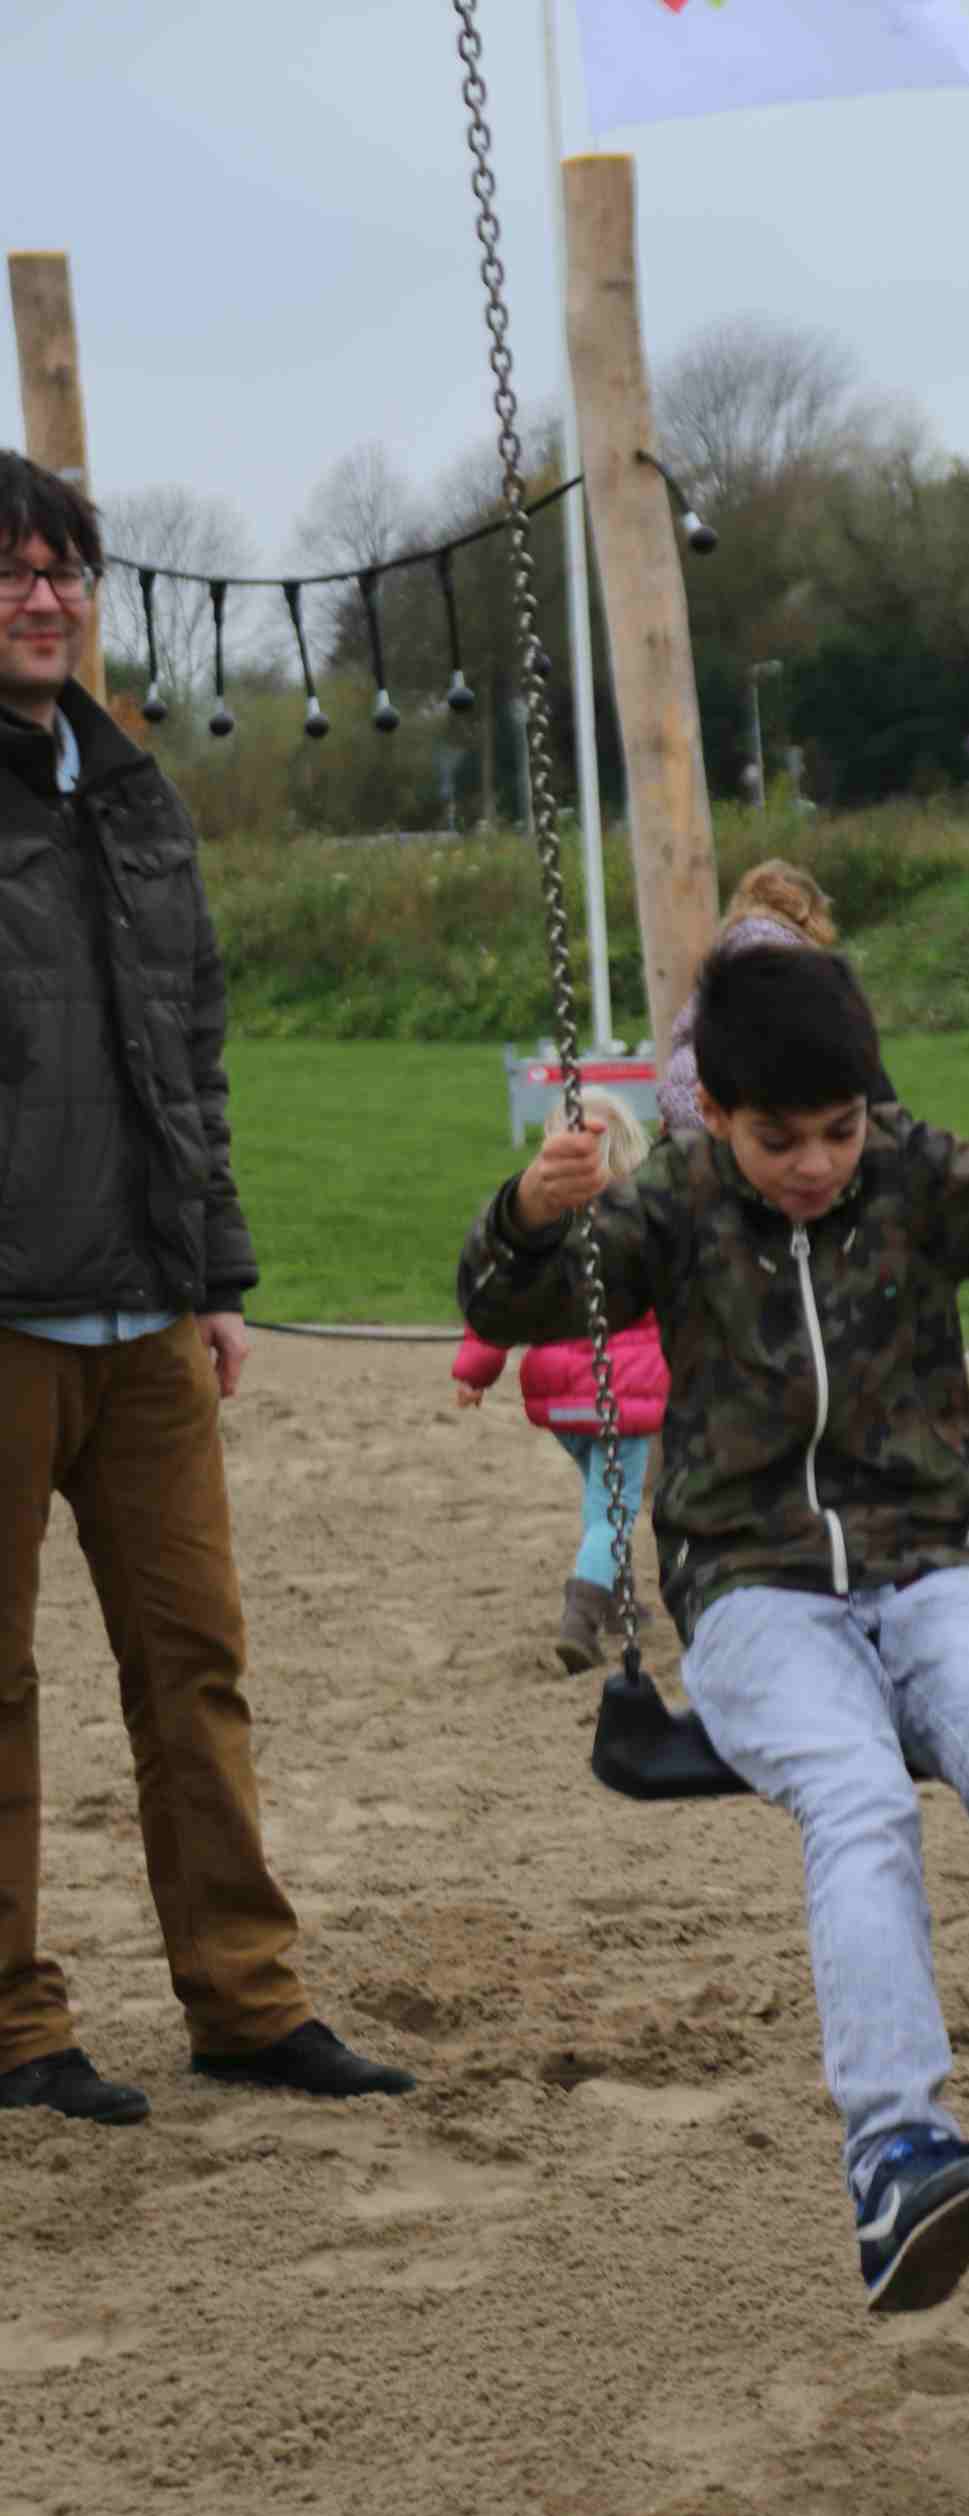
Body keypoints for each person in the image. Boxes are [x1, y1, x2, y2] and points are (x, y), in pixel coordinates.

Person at [457, 942, 969, 2314]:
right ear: (717, 1114)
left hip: (923, 1567)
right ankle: (897, 2155)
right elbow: (513, 1301)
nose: (817, 1165)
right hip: (750, 1590)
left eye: (839, 1131)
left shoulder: (910, 1174)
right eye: (780, 1140)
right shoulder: (676, 1205)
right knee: (860, 1803)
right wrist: (532, 1212)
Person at [0, 451, 415, 2126]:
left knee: (197, 1667)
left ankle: (245, 2001)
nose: (41, 597)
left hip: (151, 1316)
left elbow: (191, 1049)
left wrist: (218, 1271)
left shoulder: (136, 794)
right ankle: (13, 2026)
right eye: (10, 570)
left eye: (62, 570)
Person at [452, 1096, 669, 1672]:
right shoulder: (642, 1227)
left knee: (603, 1499)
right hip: (622, 1399)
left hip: (561, 1406)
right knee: (613, 1512)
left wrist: (473, 1372)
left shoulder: (542, 1231)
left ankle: (620, 1599)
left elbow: (501, 1309)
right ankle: (581, 1619)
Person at [655, 858, 895, 1135]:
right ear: (809, 911)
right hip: (742, 1111)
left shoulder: (728, 953)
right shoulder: (783, 961)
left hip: (688, 1105)